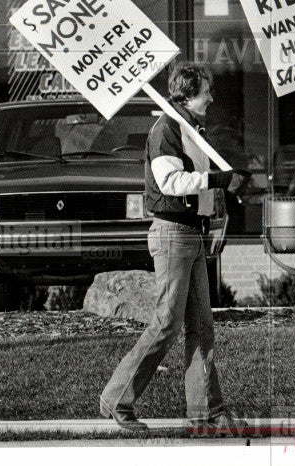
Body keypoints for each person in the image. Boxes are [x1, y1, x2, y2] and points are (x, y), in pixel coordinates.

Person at [99, 62, 249, 432]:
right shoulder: (167, 129)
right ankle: (117, 399)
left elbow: (192, 184)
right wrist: (219, 179)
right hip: (173, 235)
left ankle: (207, 411)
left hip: (191, 233)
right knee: (168, 322)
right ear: (186, 93)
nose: (211, 98)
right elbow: (170, 182)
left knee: (202, 326)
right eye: (205, 91)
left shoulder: (189, 129)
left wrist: (215, 210)